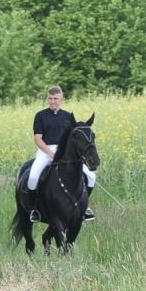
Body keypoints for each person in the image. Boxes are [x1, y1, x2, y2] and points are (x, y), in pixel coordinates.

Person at [24, 85, 92, 221]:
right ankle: (34, 209)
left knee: (91, 176)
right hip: (45, 150)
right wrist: (51, 153)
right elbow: (38, 139)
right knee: (33, 177)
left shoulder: (68, 117)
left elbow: (73, 140)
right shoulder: (40, 116)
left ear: (62, 99)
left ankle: (84, 207)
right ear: (47, 99)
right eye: (50, 98)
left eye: (55, 98)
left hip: (65, 152)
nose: (53, 101)